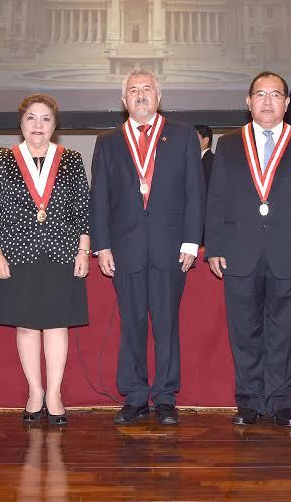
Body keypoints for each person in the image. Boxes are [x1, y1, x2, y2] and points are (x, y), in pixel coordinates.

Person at [205, 71, 291, 427]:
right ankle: (249, 399)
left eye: (276, 95)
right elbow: (217, 199)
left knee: (287, 330)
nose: (267, 101)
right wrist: (213, 246)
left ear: (287, 104)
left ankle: (280, 398)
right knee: (244, 330)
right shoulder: (229, 143)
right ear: (248, 102)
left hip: (290, 251)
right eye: (260, 94)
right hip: (239, 252)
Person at [90, 67, 205, 426]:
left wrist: (191, 241)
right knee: (133, 323)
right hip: (125, 250)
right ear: (124, 101)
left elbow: (194, 192)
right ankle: (136, 395)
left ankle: (166, 397)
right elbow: (101, 199)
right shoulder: (108, 142)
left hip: (171, 247)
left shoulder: (183, 136)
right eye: (134, 90)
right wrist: (102, 245)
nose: (141, 95)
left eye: (147, 89)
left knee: (167, 324)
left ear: (159, 97)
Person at [0, 94, 91, 426]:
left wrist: (83, 251)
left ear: (55, 126)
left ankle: (54, 394)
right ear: (21, 123)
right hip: (17, 255)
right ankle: (34, 392)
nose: (37, 125)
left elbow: (83, 211)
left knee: (57, 325)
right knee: (26, 326)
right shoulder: (2, 160)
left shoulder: (70, 159)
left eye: (44, 119)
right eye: (30, 118)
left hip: (61, 253)